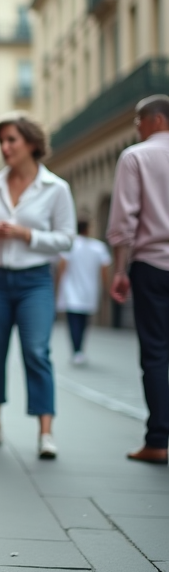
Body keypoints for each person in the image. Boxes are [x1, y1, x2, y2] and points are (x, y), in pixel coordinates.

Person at [0, 115, 75, 459]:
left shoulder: (56, 189)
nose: (5, 147)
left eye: (11, 140)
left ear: (31, 143)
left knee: (37, 353)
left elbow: (67, 239)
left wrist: (27, 234)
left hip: (35, 281)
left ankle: (45, 433)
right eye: (2, 141)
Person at [107, 94, 169, 465]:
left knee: (156, 353)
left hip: (151, 266)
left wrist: (119, 269)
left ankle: (158, 440)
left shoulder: (136, 156)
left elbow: (123, 222)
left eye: (139, 121)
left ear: (157, 120)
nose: (136, 128)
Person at [56, 220, 111, 366]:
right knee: (83, 322)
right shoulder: (98, 247)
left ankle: (76, 350)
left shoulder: (70, 246)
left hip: (71, 289)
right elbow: (104, 270)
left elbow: (62, 266)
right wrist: (106, 288)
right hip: (89, 290)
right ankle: (79, 350)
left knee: (73, 321)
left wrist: (57, 287)